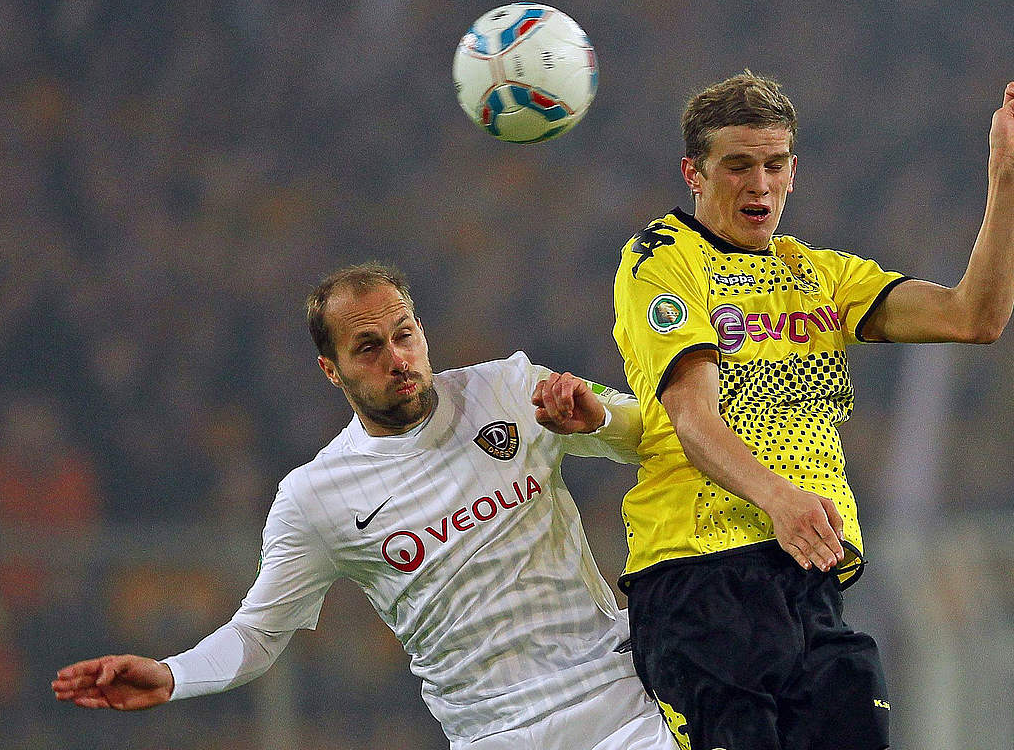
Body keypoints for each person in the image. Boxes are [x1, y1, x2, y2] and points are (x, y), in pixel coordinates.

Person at [53, 261, 678, 750]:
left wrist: (599, 418)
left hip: (620, 703)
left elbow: (653, 432)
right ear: (332, 370)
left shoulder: (508, 387)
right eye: (368, 348)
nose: (396, 358)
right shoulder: (314, 497)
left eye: (403, 334)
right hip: (492, 734)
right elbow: (258, 633)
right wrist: (173, 676)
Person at [610, 72, 1014, 750]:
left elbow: (975, 316)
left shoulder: (818, 275)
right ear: (693, 174)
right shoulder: (664, 262)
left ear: (793, 172)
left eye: (773, 164)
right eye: (738, 165)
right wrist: (781, 500)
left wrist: (1007, 174)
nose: (759, 183)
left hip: (809, 582)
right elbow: (691, 419)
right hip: (701, 580)